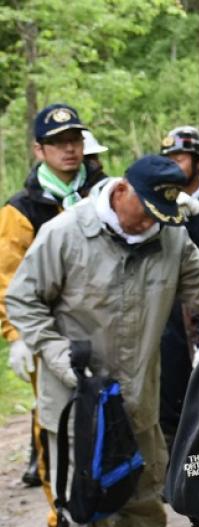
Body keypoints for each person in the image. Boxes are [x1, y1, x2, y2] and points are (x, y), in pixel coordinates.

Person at [6, 155, 199, 527]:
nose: (152, 224)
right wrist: (57, 356)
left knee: (144, 485)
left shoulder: (168, 236)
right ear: (121, 191)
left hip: (140, 391)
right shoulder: (66, 235)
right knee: (89, 491)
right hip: (80, 398)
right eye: (147, 211)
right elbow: (23, 299)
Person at [0, 104, 106, 501]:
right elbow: (7, 277)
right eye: (58, 142)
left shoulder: (104, 193)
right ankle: (61, 510)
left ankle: (117, 508)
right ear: (38, 150)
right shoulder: (20, 209)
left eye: (75, 140)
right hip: (48, 332)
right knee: (55, 423)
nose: (69, 149)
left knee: (115, 414)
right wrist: (17, 336)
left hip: (105, 323)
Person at [157, 126, 199, 451]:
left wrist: (194, 219)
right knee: (166, 385)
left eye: (180, 156)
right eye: (168, 157)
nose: (173, 164)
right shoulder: (158, 204)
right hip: (167, 309)